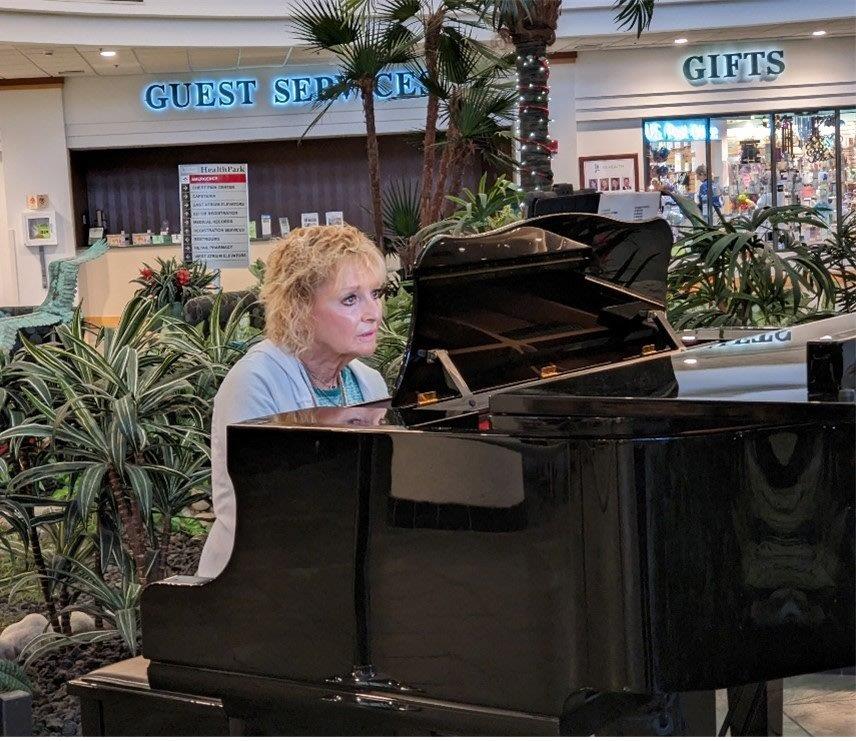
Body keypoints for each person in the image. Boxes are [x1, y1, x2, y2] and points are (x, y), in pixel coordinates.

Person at [196, 224, 390, 578]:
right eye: (350, 299)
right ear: (300, 308)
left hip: (337, 571)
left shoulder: (369, 382)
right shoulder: (254, 382)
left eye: (376, 294)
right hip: (259, 580)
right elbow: (263, 516)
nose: (373, 313)